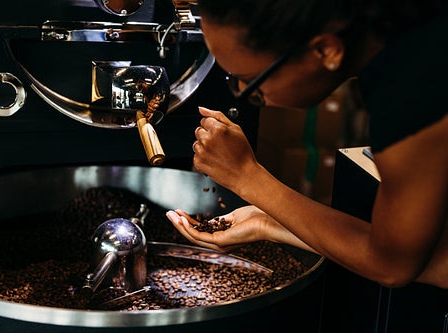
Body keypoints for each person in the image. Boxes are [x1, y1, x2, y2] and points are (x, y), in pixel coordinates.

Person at [166, 0, 448, 331]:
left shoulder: (414, 90)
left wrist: (248, 177)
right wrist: (267, 222)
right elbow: (434, 259)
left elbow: (393, 265)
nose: (241, 96)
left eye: (249, 81)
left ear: (326, 49)